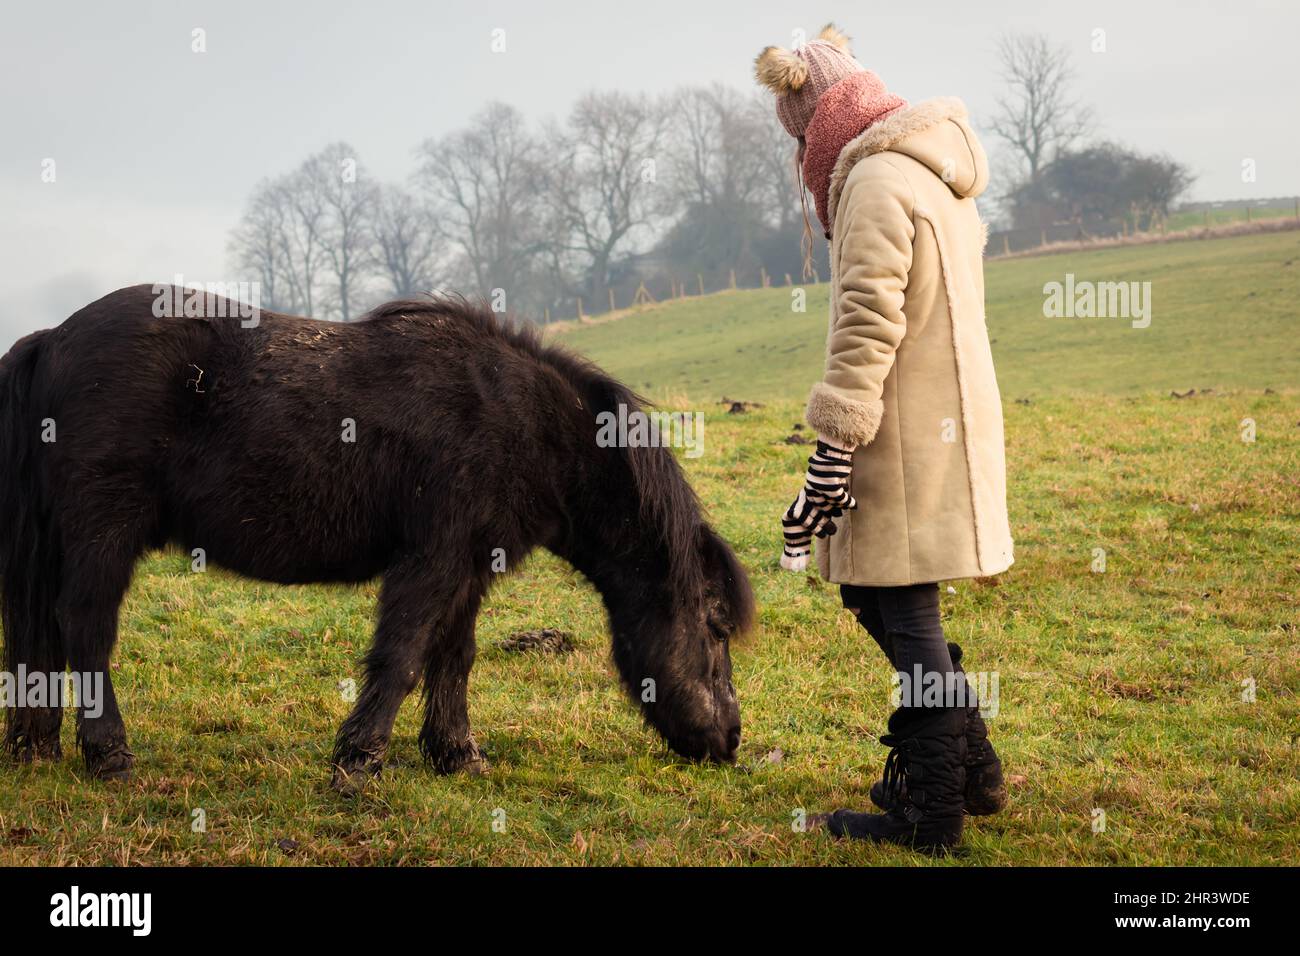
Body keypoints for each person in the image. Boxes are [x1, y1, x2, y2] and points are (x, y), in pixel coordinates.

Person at [755, 24, 1014, 851]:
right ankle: (970, 770)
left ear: (815, 123)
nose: (802, 167)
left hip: (899, 431)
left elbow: (868, 324)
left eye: (798, 142)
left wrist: (832, 448)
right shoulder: (932, 170)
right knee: (885, 599)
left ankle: (933, 813)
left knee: (902, 614)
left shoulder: (872, 182)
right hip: (944, 424)